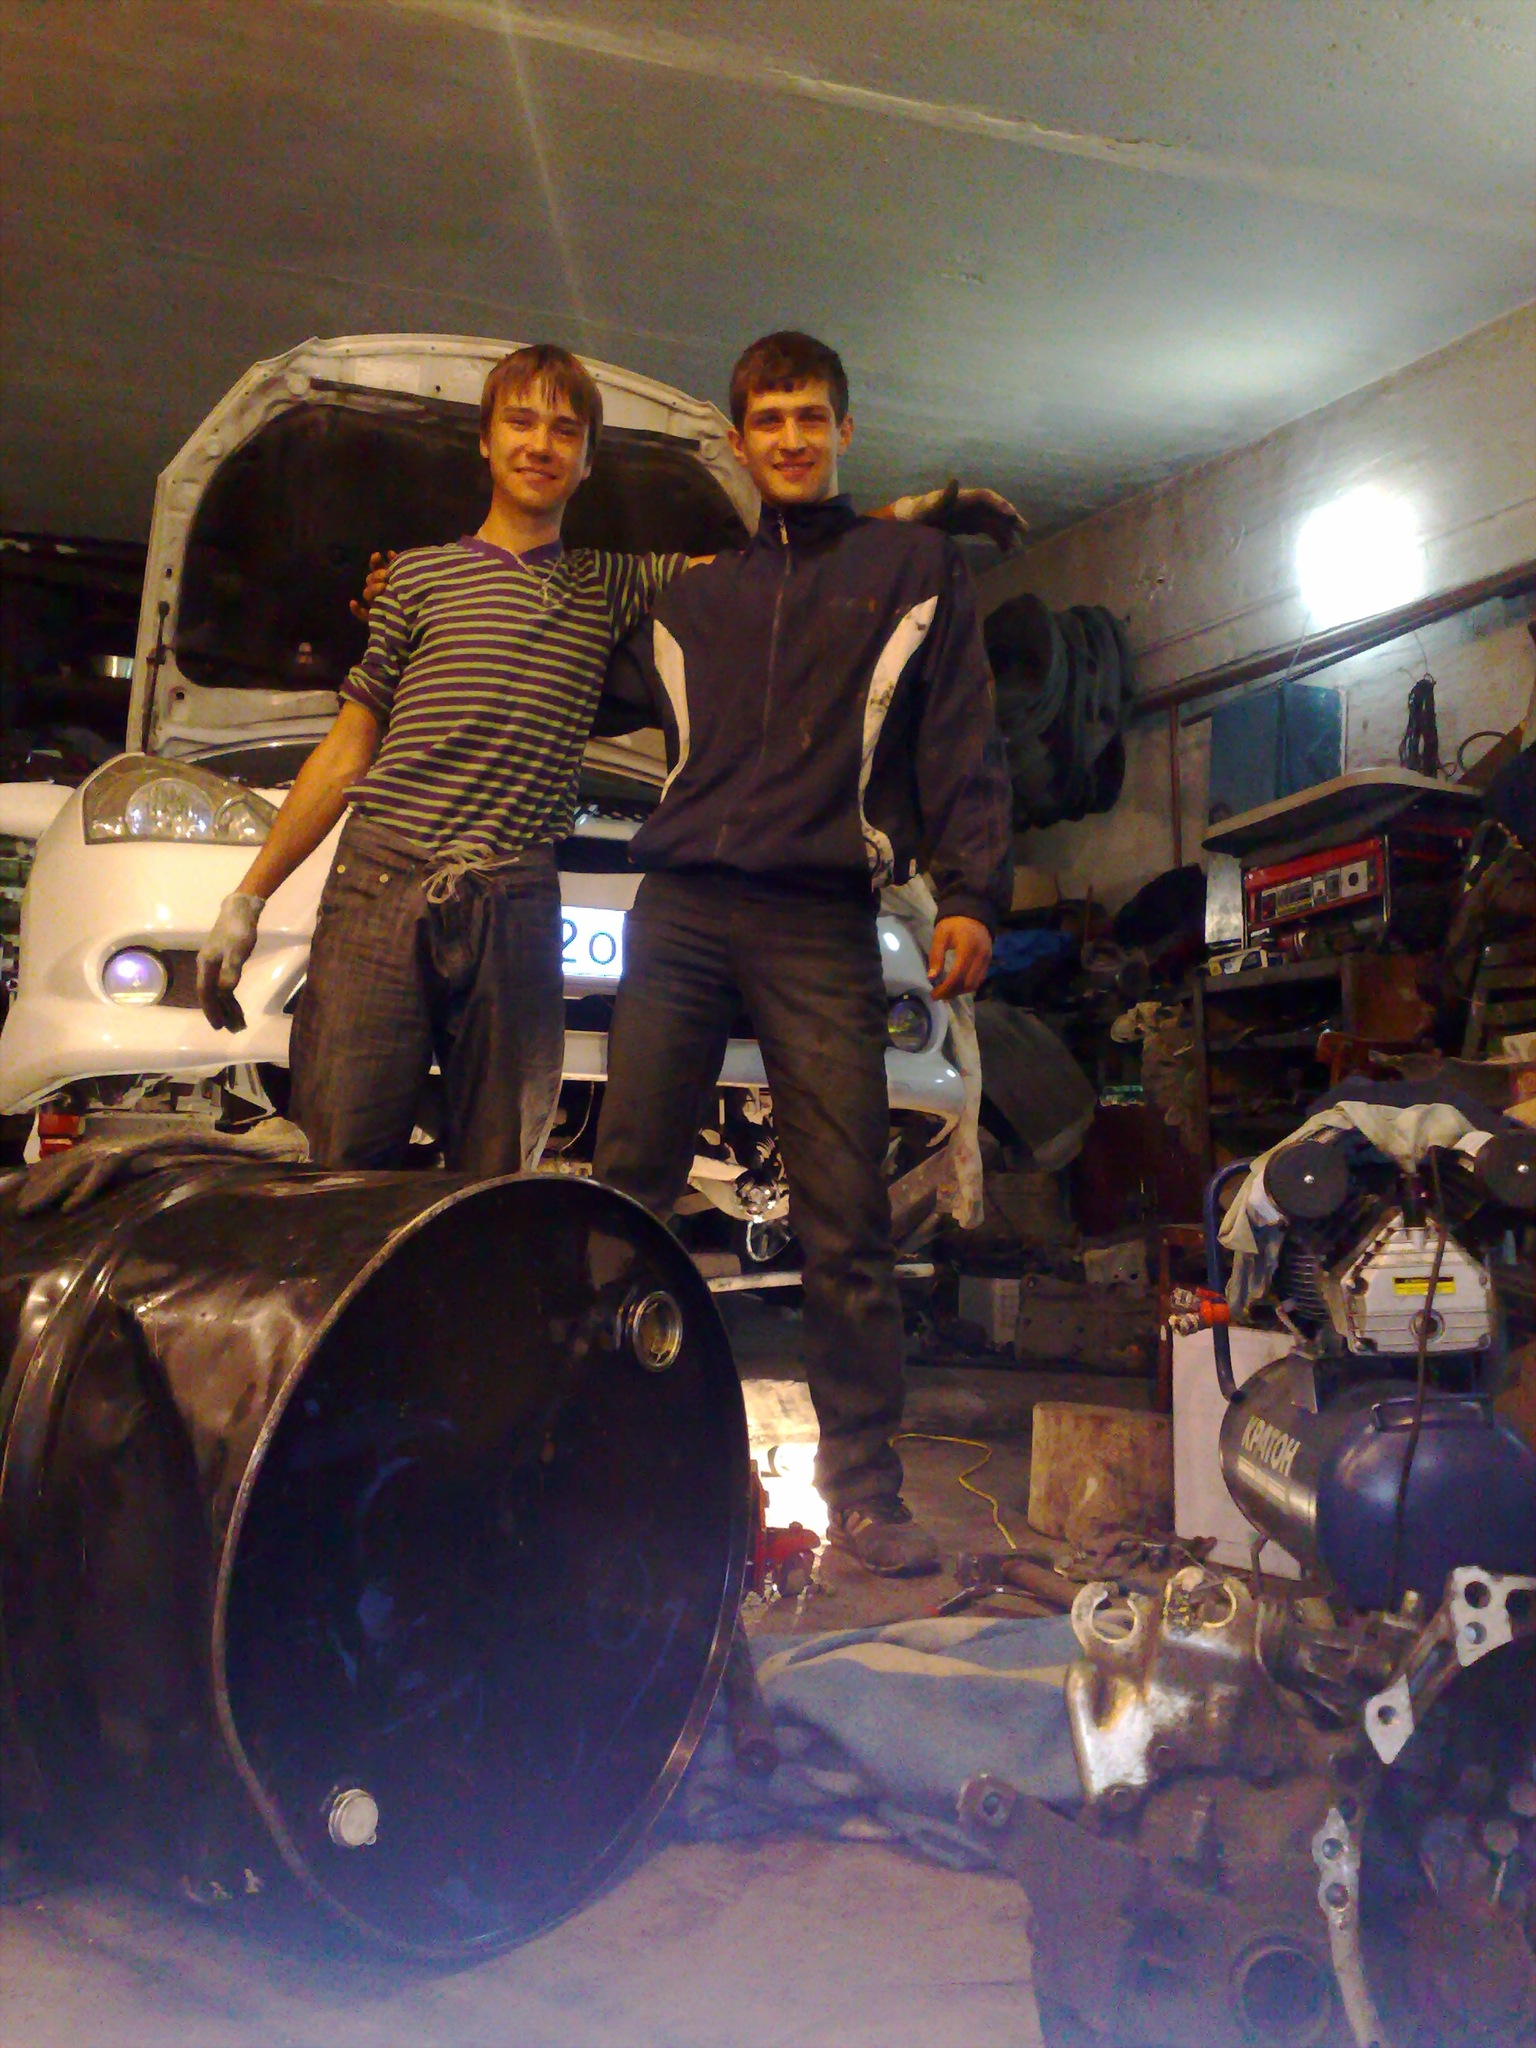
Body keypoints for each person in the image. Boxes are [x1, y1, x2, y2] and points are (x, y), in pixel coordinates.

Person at [592, 331, 1013, 1576]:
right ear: (738, 441)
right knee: (625, 1195)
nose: (789, 436)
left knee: (846, 1215)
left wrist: (973, 892)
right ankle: (595, 1450)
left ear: (843, 430)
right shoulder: (690, 596)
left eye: (809, 416)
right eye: (768, 419)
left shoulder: (912, 570)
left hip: (820, 916)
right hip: (679, 910)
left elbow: (963, 738)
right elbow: (558, 646)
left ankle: (866, 1494)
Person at [195, 344, 696, 1174]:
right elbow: (348, 747)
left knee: (498, 1171)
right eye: (521, 422)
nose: (540, 444)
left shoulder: (611, 584)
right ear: (487, 441)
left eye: (565, 431)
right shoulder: (417, 580)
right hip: (381, 881)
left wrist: (889, 525)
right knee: (340, 1157)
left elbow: (768, 573)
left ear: (588, 461)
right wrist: (247, 898)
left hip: (516, 895)